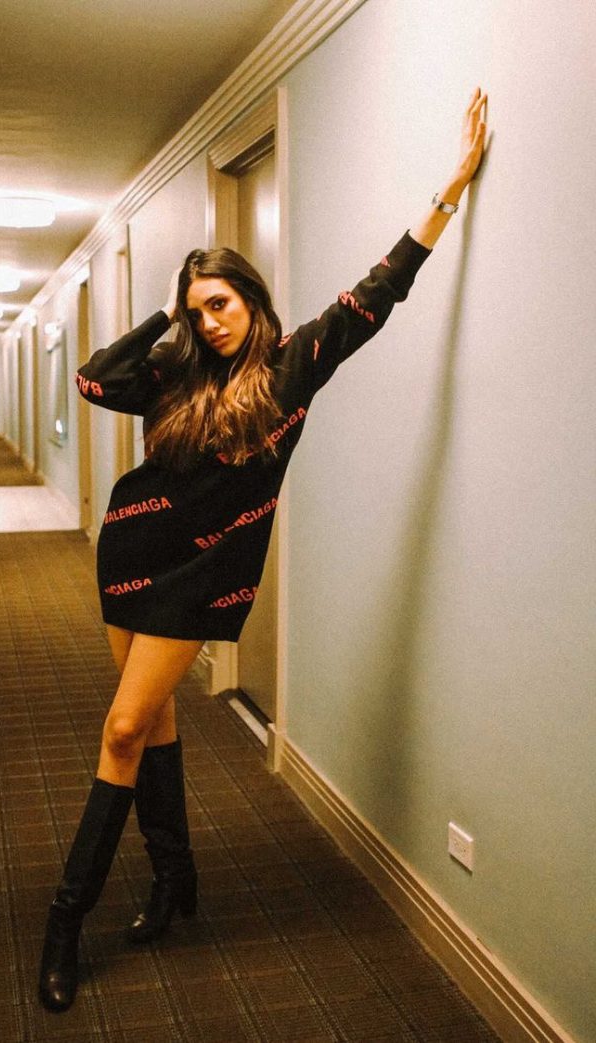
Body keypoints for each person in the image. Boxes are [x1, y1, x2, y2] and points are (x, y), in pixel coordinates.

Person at [38, 87, 488, 1012]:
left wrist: (448, 192)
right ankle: (175, 878)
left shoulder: (294, 367)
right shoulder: (175, 373)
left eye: (221, 303)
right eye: (197, 310)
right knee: (152, 722)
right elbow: (92, 381)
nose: (211, 322)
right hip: (130, 550)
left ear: (251, 296)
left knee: (122, 729)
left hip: (201, 575)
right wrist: (166, 319)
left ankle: (64, 921)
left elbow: (379, 292)